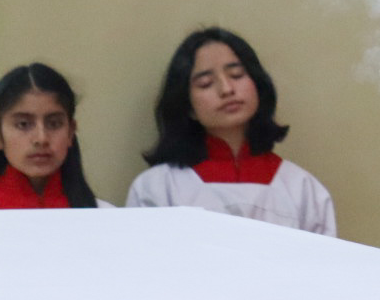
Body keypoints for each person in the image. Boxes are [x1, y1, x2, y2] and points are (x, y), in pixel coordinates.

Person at [126, 27, 335, 235]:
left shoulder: (302, 189)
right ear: (187, 106)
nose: (226, 89)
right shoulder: (158, 188)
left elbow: (327, 266)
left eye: (236, 74)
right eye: (206, 83)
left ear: (258, 85)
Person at [0, 63, 101, 209]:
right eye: (23, 124)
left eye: (54, 124)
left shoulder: (105, 217)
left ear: (70, 132)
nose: (41, 139)